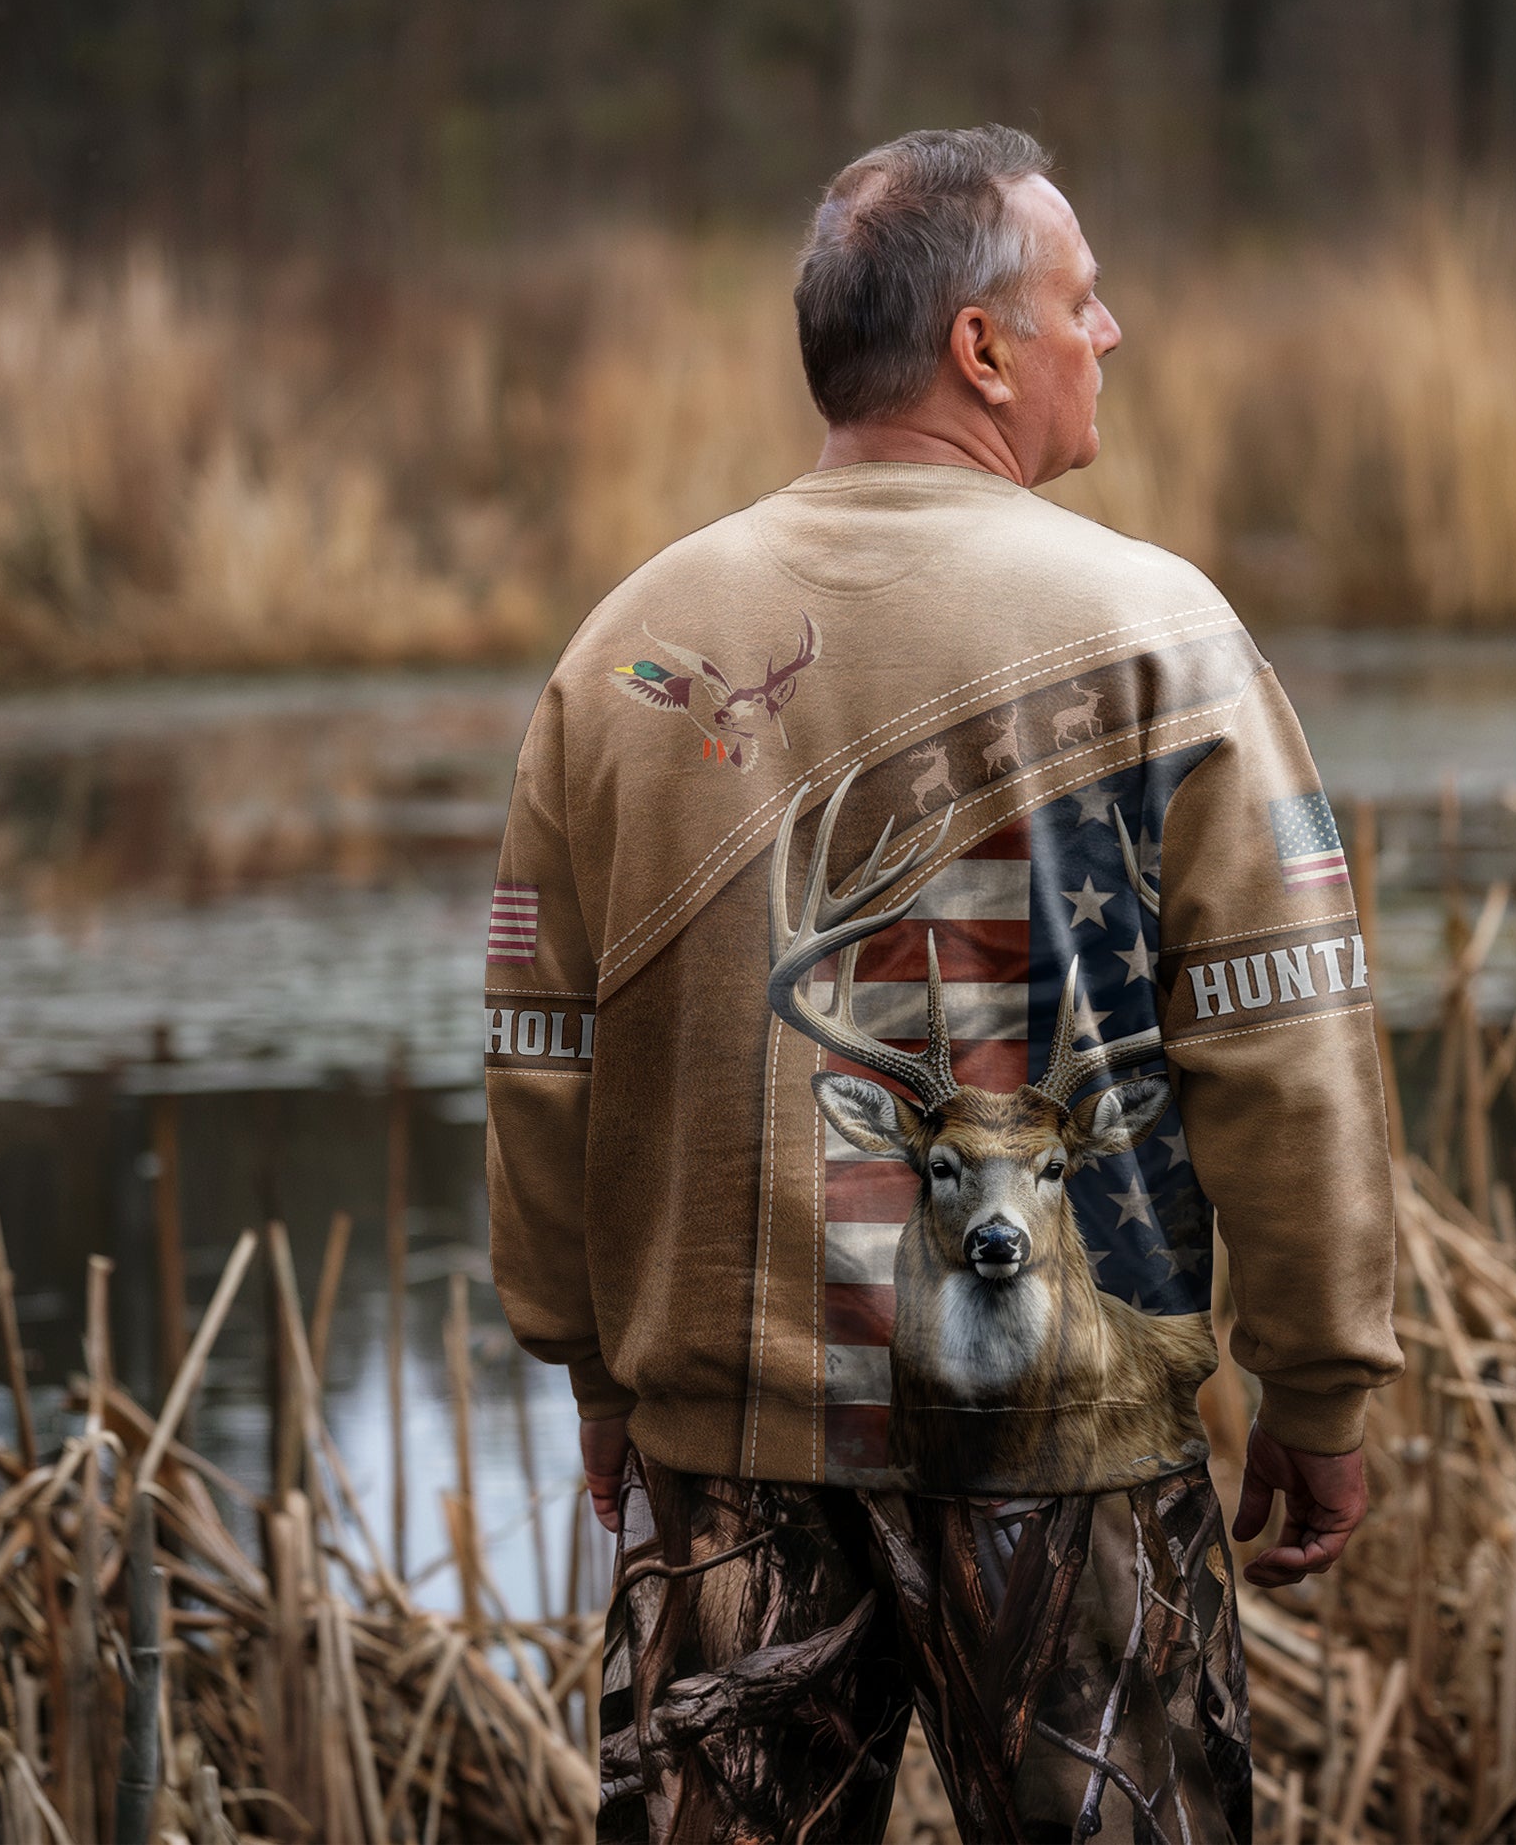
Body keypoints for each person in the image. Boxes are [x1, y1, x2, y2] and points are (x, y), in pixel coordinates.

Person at [486, 125, 1402, 1843]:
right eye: (1082, 299)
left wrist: (597, 1369)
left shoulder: (629, 648)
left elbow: (541, 1052)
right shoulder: (1161, 631)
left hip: (726, 1460)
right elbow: (1284, 1039)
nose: (1109, 333)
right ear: (981, 349)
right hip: (1072, 1456)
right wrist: (1320, 1380)